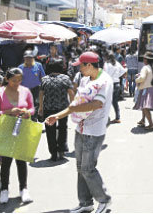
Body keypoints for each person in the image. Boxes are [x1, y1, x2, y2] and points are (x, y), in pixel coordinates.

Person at [45, 52, 113, 213]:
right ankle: (85, 203)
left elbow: (96, 104)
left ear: (89, 65)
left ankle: (104, 200)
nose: (79, 69)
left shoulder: (105, 81)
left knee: (88, 168)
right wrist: (58, 116)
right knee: (80, 168)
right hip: (81, 128)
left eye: (80, 66)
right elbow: (76, 103)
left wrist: (74, 109)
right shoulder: (84, 79)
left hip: (94, 131)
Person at [0, 68, 34, 204]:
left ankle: (23, 189)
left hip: (22, 128)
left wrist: (27, 112)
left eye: (19, 80)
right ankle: (4, 190)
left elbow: (32, 108)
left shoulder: (26, 91)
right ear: (7, 79)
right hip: (6, 130)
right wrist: (9, 111)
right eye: (14, 80)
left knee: (21, 160)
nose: (17, 83)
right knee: (6, 162)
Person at [39, 59, 75, 161]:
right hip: (63, 108)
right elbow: (71, 93)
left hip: (48, 108)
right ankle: (61, 150)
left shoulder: (44, 79)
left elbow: (41, 94)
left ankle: (53, 153)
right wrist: (72, 106)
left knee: (50, 131)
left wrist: (41, 108)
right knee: (63, 128)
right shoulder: (65, 78)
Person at [134, 51, 153, 131]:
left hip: (146, 88)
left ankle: (151, 124)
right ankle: (143, 120)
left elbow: (142, 78)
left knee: (145, 107)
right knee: (144, 105)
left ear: (147, 60)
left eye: (144, 59)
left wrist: (136, 80)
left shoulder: (145, 68)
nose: (143, 60)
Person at [19, 50, 45, 118]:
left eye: (30, 58)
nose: (28, 59)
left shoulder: (38, 65)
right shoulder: (20, 67)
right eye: (27, 58)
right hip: (24, 90)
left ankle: (34, 119)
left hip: (36, 89)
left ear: (33, 58)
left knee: (35, 104)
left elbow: (43, 77)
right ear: (24, 58)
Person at [103, 52, 127, 124]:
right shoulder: (117, 63)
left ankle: (105, 118)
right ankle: (117, 117)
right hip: (117, 84)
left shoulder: (106, 64)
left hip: (109, 85)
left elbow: (104, 74)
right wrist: (118, 76)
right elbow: (124, 72)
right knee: (115, 102)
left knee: (106, 102)